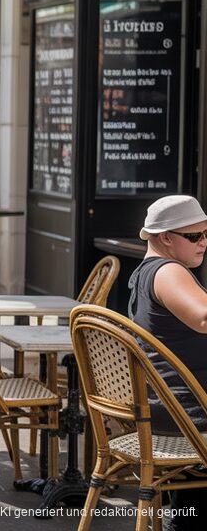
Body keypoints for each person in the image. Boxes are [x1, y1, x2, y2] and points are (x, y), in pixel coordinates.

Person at [127, 195, 207, 530]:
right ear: (166, 238)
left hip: (169, 411)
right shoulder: (168, 270)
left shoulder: (143, 276)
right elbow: (204, 318)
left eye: (206, 234)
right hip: (191, 419)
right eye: (195, 236)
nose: (204, 242)